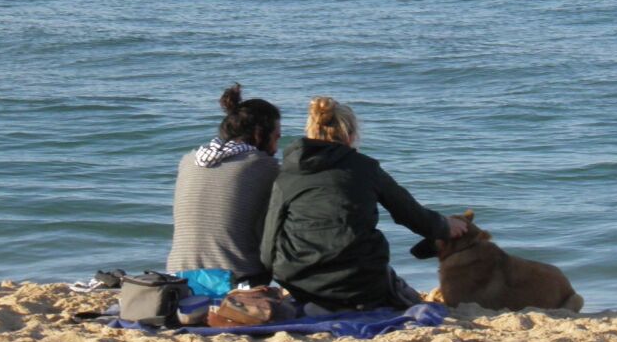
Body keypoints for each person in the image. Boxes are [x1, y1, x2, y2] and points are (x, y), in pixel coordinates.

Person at [261, 96, 468, 311]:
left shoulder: (287, 173)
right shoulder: (364, 168)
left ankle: (318, 303)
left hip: (299, 280)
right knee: (408, 298)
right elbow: (410, 213)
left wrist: (271, 275)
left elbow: (269, 243)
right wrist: (444, 226)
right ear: (350, 137)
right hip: (358, 281)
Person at [167, 85, 281, 285]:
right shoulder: (264, 165)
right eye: (276, 138)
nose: (276, 148)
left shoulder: (188, 160)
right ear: (258, 134)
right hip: (236, 278)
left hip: (179, 277)